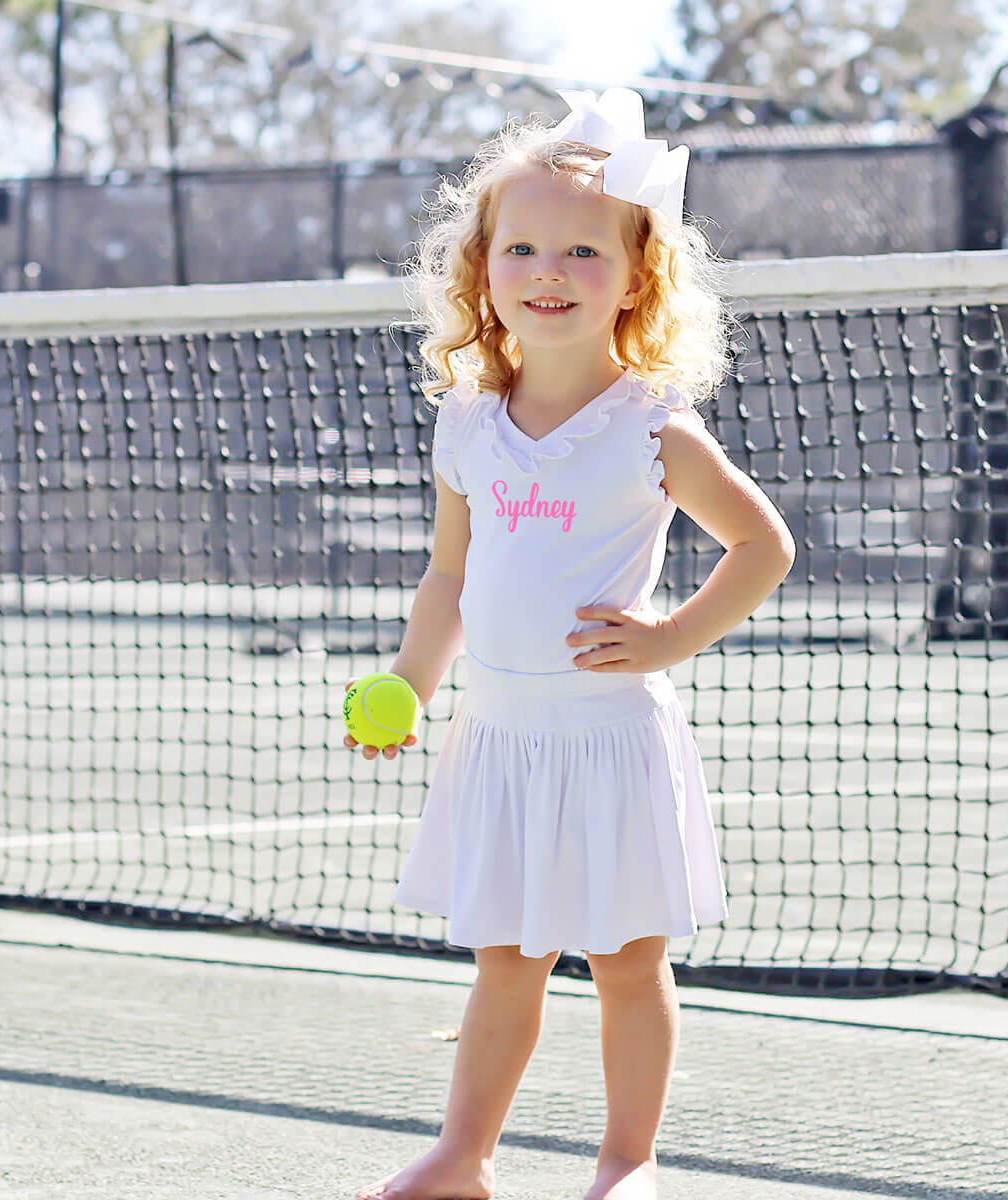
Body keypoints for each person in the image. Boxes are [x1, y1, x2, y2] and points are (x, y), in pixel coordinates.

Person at [345, 87, 796, 1200]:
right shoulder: (465, 421)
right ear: (483, 270)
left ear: (635, 279)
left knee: (630, 962)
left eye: (584, 251)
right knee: (506, 960)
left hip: (609, 738)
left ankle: (627, 1163)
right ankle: (463, 1158)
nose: (549, 270)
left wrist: (670, 637)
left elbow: (763, 545)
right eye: (523, 248)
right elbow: (450, 576)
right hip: (499, 736)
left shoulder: (653, 424)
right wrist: (410, 683)